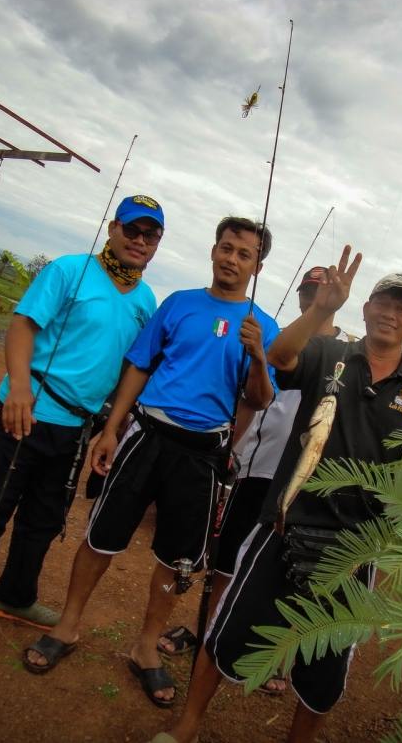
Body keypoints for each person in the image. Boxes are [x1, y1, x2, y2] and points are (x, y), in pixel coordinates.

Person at [153, 249, 402, 743]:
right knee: (228, 631)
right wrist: (321, 309)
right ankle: (187, 726)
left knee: (324, 666)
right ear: (365, 308)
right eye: (383, 302)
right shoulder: (330, 354)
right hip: (286, 521)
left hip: (357, 547)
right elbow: (280, 358)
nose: (391, 313)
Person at [21, 217, 279, 710]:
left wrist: (259, 357)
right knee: (102, 536)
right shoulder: (178, 303)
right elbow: (141, 364)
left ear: (257, 266)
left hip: (203, 453)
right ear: (212, 250)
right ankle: (68, 624)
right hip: (147, 435)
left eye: (244, 254)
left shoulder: (262, 327)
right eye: (226, 248)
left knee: (176, 559)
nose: (232, 259)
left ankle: (146, 646)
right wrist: (113, 427)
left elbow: (259, 399)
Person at [0, 195, 165, 656]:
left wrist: (110, 427)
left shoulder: (144, 299)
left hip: (76, 430)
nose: (139, 240)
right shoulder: (69, 270)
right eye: (132, 230)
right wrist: (18, 387)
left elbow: (129, 369)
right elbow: (22, 326)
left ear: (157, 243)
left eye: (150, 234)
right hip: (26, 413)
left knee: (42, 521)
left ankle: (15, 597)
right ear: (113, 229)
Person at [155, 266, 351, 699]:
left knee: (291, 574)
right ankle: (212, 635)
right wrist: (230, 452)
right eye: (308, 290)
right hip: (249, 469)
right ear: (301, 295)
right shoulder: (277, 335)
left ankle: (277, 658)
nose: (313, 297)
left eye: (322, 291)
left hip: (298, 484)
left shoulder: (345, 353)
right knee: (228, 565)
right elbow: (252, 394)